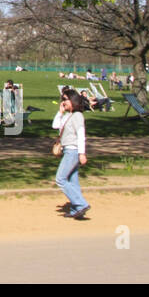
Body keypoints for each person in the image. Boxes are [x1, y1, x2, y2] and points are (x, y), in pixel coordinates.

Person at [53, 91, 91, 219]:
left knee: (60, 179)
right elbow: (55, 125)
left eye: (66, 99)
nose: (63, 102)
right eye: (62, 99)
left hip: (73, 151)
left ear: (73, 100)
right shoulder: (68, 116)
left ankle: (81, 204)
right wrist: (60, 112)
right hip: (68, 151)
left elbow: (81, 135)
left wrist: (82, 153)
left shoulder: (78, 116)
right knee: (73, 181)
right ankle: (77, 209)